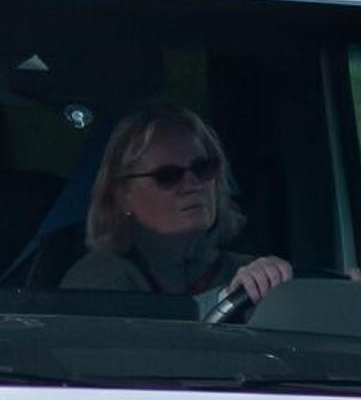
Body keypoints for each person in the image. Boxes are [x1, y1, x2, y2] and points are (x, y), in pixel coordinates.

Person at [62, 103, 290, 314]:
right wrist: (224, 298)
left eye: (203, 168)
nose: (193, 185)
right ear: (122, 196)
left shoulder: (247, 272)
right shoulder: (96, 283)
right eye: (167, 176)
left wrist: (271, 282)